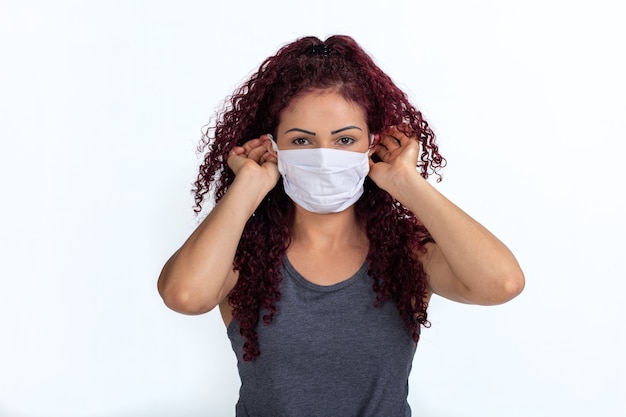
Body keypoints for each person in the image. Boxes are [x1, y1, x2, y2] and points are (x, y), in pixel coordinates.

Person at [157, 35, 525, 417]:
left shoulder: (408, 252)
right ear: (273, 147)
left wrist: (406, 183)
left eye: (345, 139)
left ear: (372, 144)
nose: (322, 157)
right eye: (301, 140)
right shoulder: (240, 254)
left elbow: (502, 284)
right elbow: (184, 295)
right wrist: (247, 187)